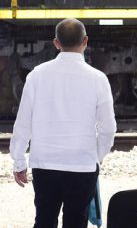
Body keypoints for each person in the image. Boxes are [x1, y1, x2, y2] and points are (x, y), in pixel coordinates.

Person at [10, 18, 116, 228]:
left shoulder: (36, 76)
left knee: (44, 220)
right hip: (82, 165)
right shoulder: (98, 79)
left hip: (44, 164)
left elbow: (23, 122)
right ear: (85, 41)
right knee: (76, 221)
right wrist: (97, 156)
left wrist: (19, 160)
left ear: (56, 43)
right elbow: (108, 128)